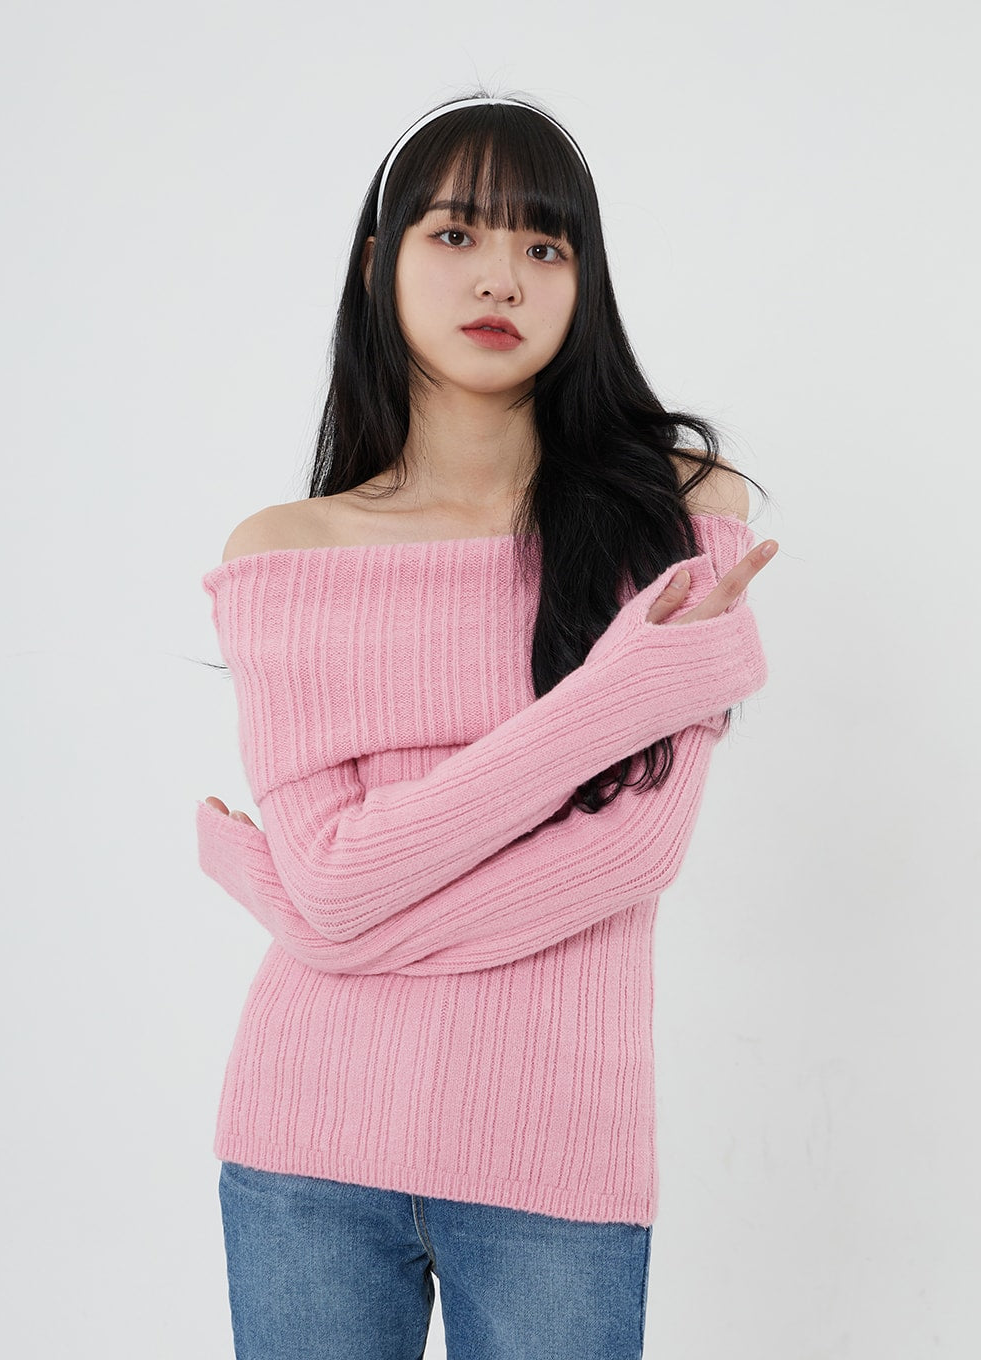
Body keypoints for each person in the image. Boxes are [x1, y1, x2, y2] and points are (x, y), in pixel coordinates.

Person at [197, 89, 778, 1360]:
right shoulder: (285, 551)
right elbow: (336, 881)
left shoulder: (676, 515)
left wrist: (312, 909)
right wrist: (621, 693)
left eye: (543, 244)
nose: (500, 275)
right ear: (381, 263)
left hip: (555, 1160)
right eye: (456, 233)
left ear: (584, 280)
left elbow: (632, 847)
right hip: (304, 1139)